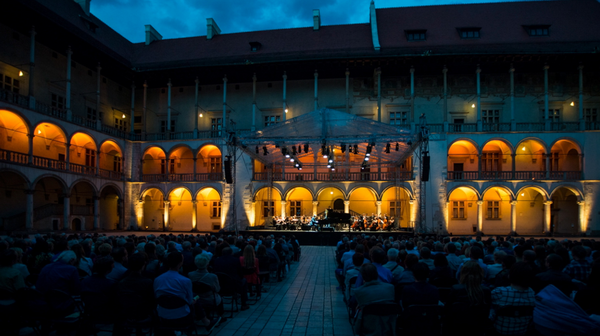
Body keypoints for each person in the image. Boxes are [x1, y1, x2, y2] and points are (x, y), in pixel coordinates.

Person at [154, 251, 220, 332]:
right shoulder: (185, 280)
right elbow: (190, 302)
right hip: (182, 316)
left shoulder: (157, 279)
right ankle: (206, 322)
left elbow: (158, 296)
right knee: (195, 297)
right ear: (180, 262)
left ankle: (206, 322)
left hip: (162, 314)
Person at [490, 262, 536, 336]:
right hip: (522, 331)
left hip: (499, 331)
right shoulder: (532, 293)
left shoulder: (499, 292)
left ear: (510, 275)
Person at [352, 263, 396, 336]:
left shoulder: (359, 291)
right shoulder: (390, 288)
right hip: (388, 326)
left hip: (369, 326)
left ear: (362, 276)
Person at [213, 246, 250, 310]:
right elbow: (240, 273)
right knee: (244, 280)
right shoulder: (235, 260)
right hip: (233, 285)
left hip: (219, 284)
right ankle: (243, 304)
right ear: (231, 253)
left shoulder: (216, 261)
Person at [188, 253, 224, 318]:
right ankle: (221, 315)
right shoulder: (212, 276)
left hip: (196, 298)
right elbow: (217, 289)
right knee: (219, 297)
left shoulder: (190, 275)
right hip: (210, 299)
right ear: (207, 264)